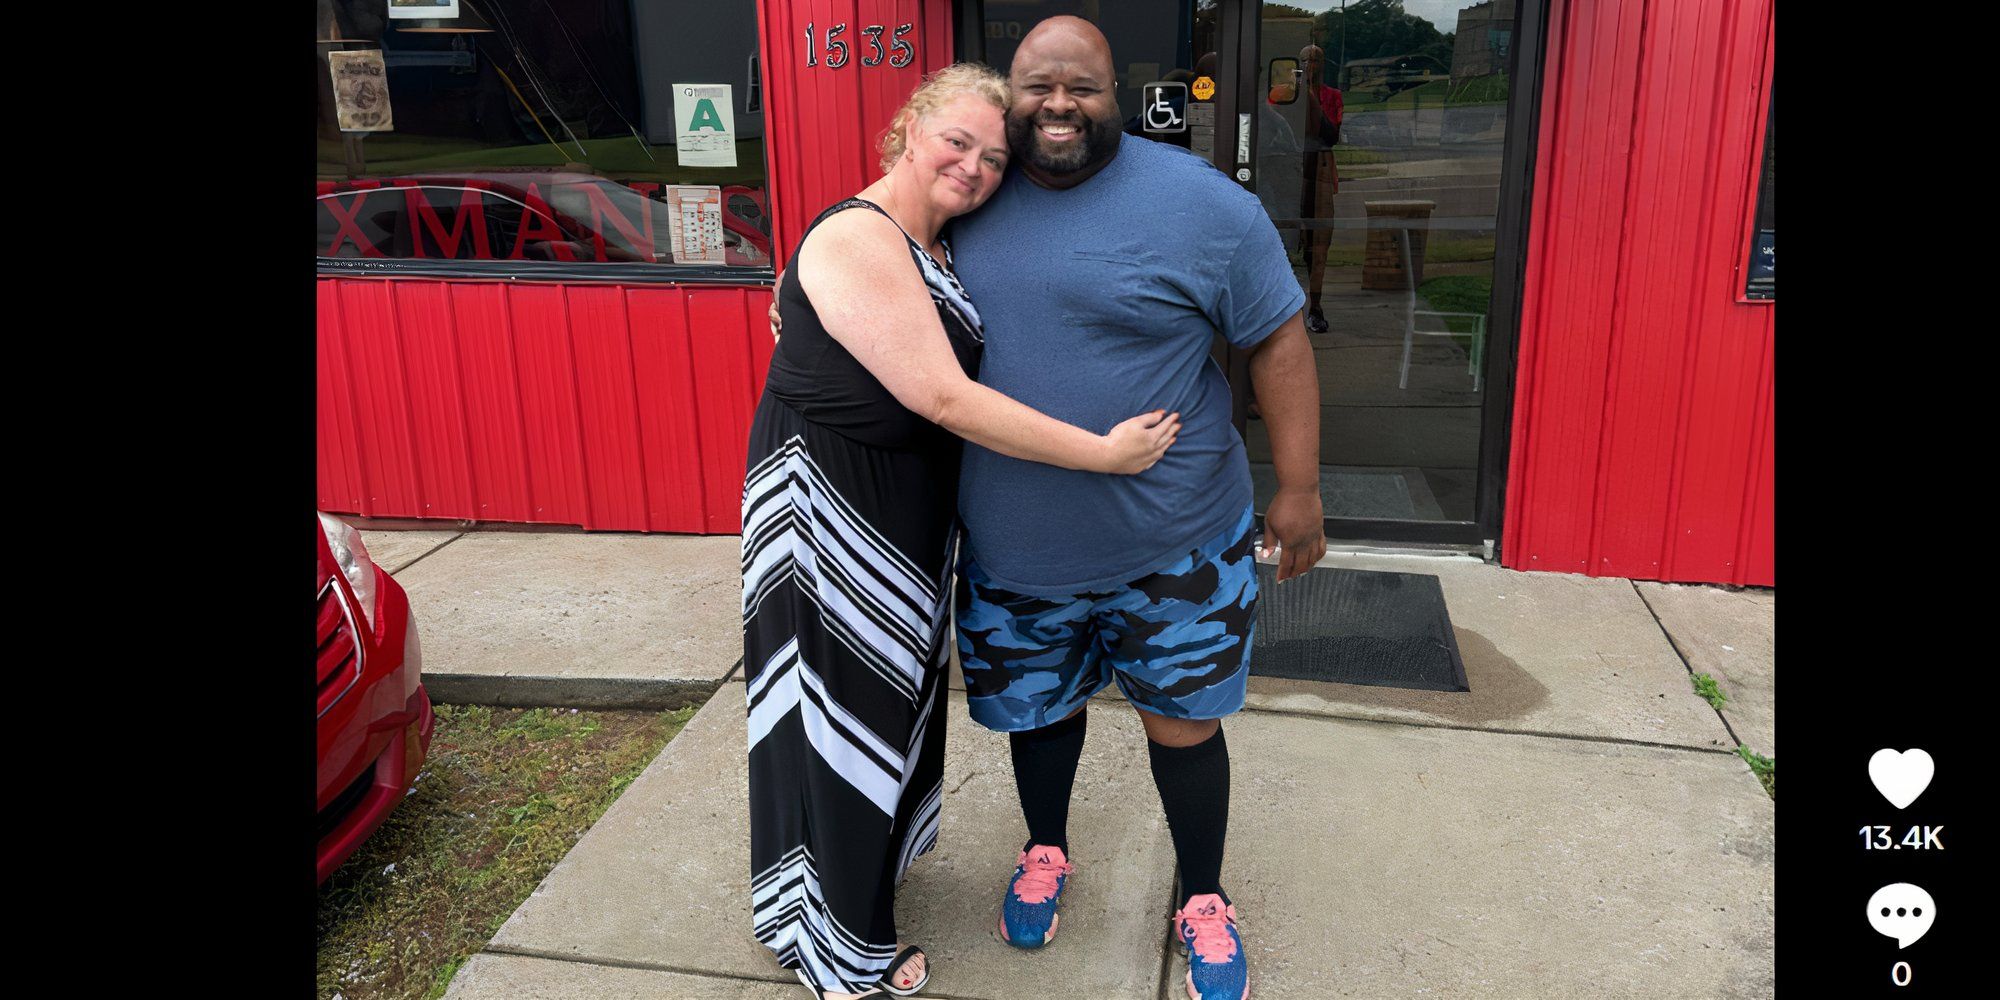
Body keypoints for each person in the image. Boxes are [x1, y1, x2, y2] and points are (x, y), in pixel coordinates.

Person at [741, 63, 1184, 1000]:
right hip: (833, 505)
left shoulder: (932, 240)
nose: (976, 167)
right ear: (908, 129)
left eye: (993, 156)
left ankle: (815, 890)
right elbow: (946, 395)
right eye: (958, 142)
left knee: (875, 708)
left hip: (899, 504)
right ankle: (845, 952)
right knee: (837, 710)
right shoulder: (863, 233)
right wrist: (1100, 456)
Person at [952, 18, 1322, 1000]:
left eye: (1081, 87)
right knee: (1038, 715)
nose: (1058, 105)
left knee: (1182, 723)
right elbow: (863, 265)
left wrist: (1298, 486)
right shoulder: (963, 198)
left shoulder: (1201, 207)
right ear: (1009, 93)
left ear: (1118, 92)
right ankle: (1044, 850)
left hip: (1174, 541)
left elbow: (1277, 340)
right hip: (1015, 540)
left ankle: (1201, 897)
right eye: (1038, 87)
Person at [1298, 44, 1343, 334]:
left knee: (1320, 241)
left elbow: (1330, 135)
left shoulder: (1331, 96)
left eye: (1317, 59)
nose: (1312, 64)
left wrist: (1312, 99)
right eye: (1306, 60)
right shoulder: (1284, 93)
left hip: (1321, 169)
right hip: (1293, 169)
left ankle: (1315, 305)